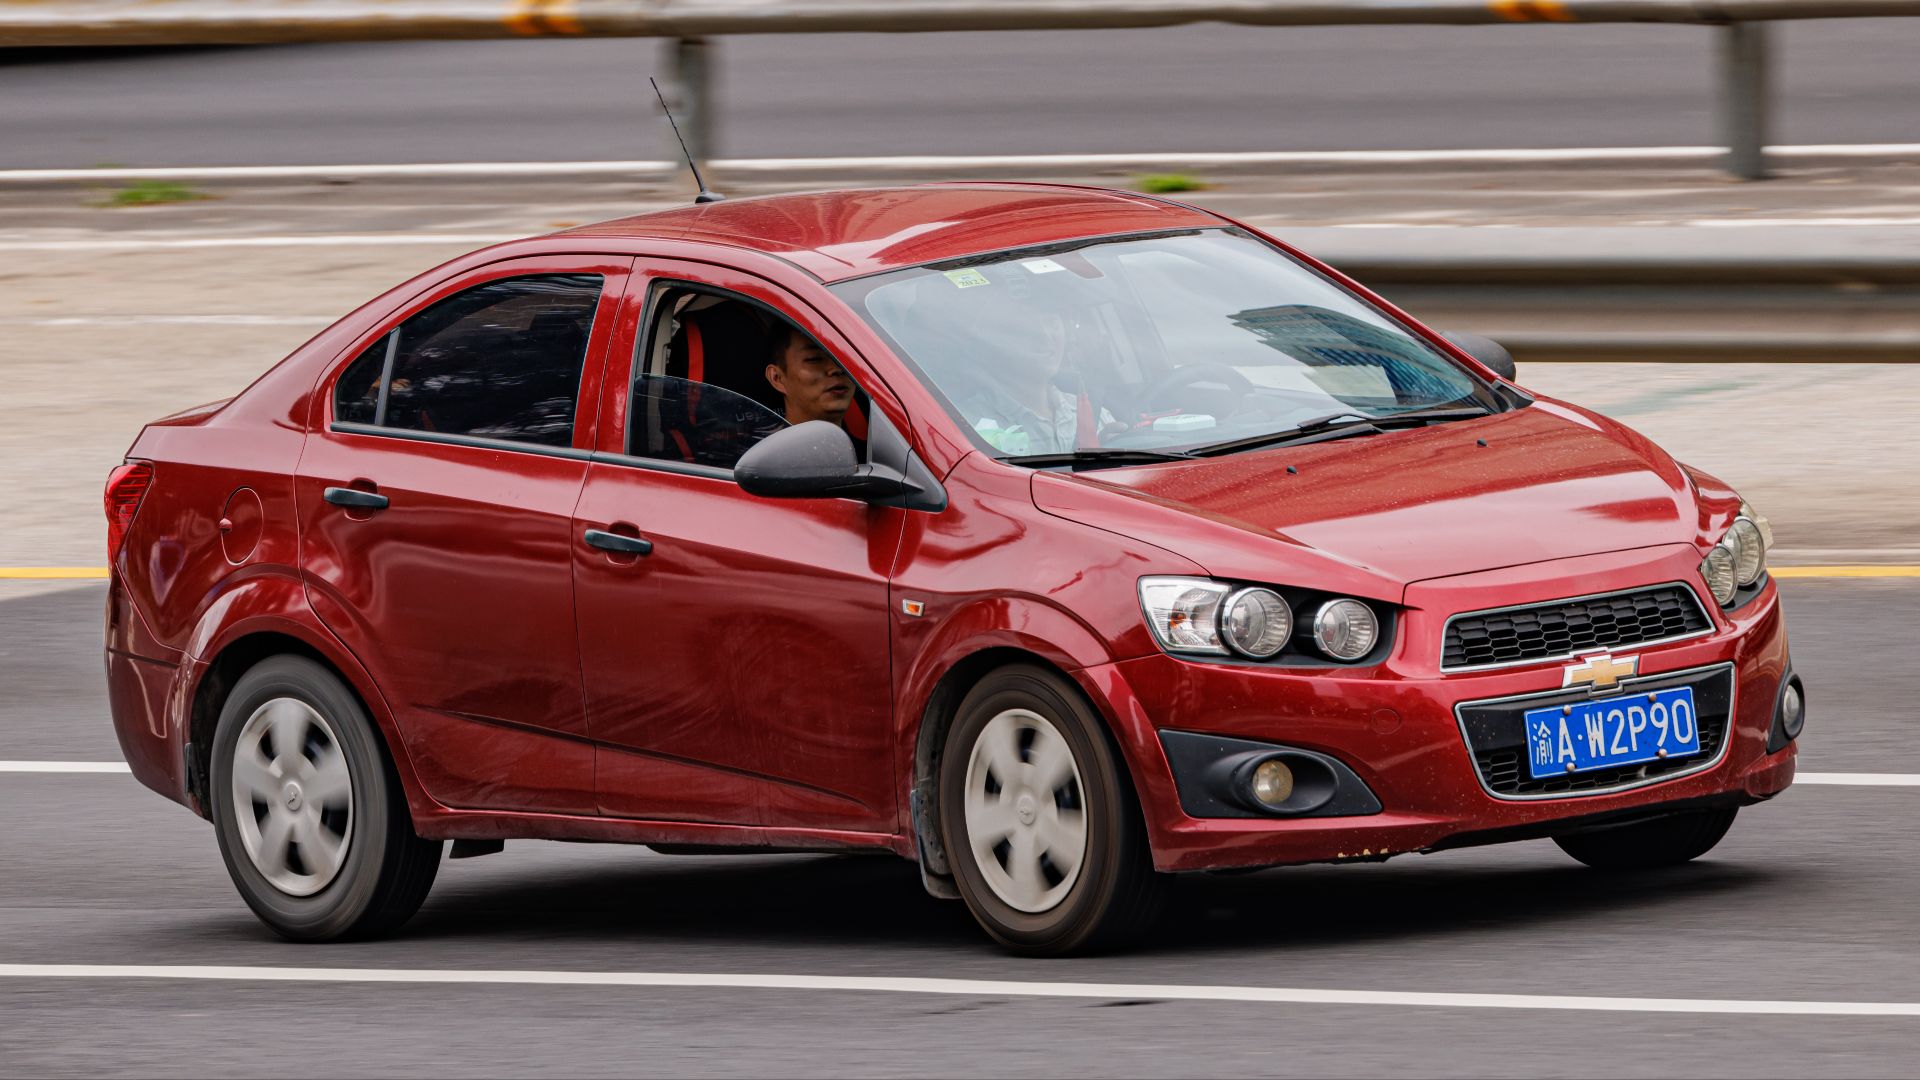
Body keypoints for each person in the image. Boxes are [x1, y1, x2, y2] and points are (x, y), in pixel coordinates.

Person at [955, 309, 1115, 456]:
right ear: (997, 343)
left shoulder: (1095, 414)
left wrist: (1115, 451)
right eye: (1026, 326)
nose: (1045, 337)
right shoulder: (969, 423)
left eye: (1052, 322)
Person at [764, 324, 855, 428]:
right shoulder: (772, 444)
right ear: (777, 378)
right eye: (814, 359)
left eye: (845, 357)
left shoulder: (872, 440)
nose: (837, 369)